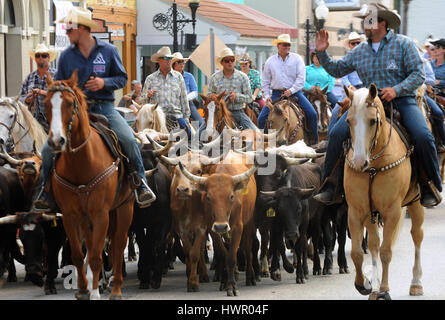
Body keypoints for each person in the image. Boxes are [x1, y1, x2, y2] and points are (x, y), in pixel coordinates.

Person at [313, 3, 442, 208]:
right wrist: (322, 53)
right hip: (368, 103)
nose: (365, 23)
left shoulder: (403, 44)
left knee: (423, 135)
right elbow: (337, 70)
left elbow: (419, 74)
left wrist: (396, 90)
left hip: (401, 100)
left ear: (382, 22)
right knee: (337, 134)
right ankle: (330, 185)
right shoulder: (360, 50)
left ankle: (429, 184)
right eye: (364, 19)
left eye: (369, 19)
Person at [33, 7, 156, 211]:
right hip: (73, 111)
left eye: (69, 28)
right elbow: (62, 86)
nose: (67, 32)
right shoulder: (65, 57)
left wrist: (103, 82)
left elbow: (122, 78)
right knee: (47, 149)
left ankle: (140, 183)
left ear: (82, 29)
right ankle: (44, 192)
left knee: (128, 139)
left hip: (105, 107)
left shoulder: (109, 51)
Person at [259, 34, 318, 144]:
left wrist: (291, 90)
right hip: (277, 94)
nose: (287, 47)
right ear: (278, 45)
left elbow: (301, 79)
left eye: (288, 45)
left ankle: (314, 142)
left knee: (312, 114)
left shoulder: (297, 59)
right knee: (261, 119)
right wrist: (267, 97)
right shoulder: (270, 61)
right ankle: (262, 145)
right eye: (285, 45)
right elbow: (265, 82)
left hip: (295, 93)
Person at [141, 46, 190, 133]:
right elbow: (142, 101)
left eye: (170, 58)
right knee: (138, 137)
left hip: (176, 117)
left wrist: (186, 118)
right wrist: (147, 96)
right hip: (157, 119)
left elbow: (184, 98)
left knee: (192, 138)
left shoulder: (178, 77)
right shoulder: (150, 78)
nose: (169, 60)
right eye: (166, 58)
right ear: (159, 60)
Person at [208, 47, 256, 130]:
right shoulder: (214, 78)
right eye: (227, 61)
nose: (230, 62)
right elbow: (209, 95)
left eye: (232, 60)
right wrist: (217, 98)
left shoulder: (243, 77)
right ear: (221, 63)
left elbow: (249, 98)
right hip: (217, 113)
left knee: (254, 133)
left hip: (237, 112)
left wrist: (236, 97)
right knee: (199, 135)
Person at [19, 43, 57, 132]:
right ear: (35, 58)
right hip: (32, 123)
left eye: (44, 55)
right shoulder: (29, 77)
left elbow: (62, 95)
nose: (40, 58)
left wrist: (41, 92)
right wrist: (27, 100)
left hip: (53, 122)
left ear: (48, 58)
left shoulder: (57, 75)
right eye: (37, 55)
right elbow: (20, 97)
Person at [171, 51, 205, 133]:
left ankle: (196, 140)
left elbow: (195, 92)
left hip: (189, 104)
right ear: (173, 65)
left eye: (183, 62)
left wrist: (185, 98)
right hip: (173, 106)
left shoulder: (189, 76)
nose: (182, 64)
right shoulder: (170, 77)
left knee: (202, 123)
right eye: (179, 62)